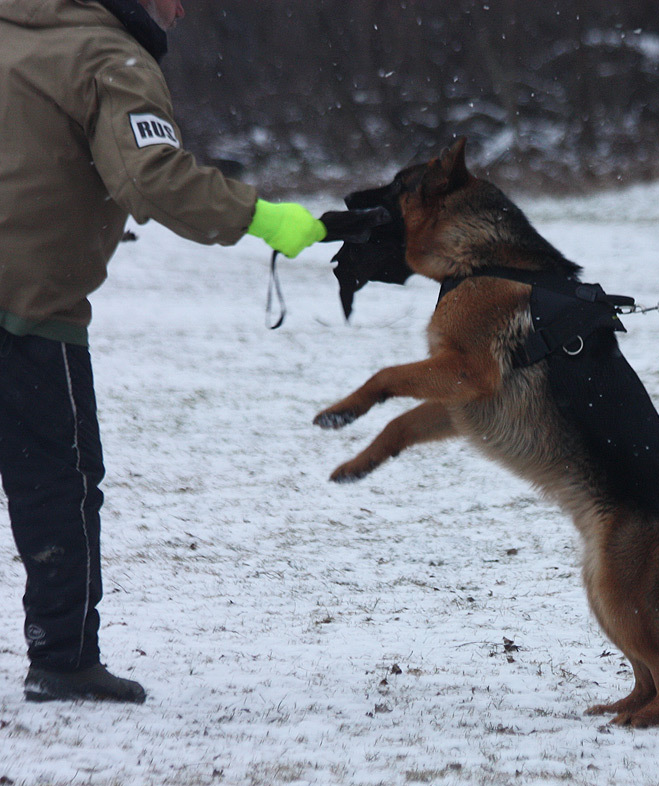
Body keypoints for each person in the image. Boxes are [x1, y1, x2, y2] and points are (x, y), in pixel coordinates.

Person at [0, 0, 385, 702]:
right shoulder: (107, 57)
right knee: (61, 483)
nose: (182, 8)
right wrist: (264, 218)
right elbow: (152, 177)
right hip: (25, 313)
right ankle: (63, 658)